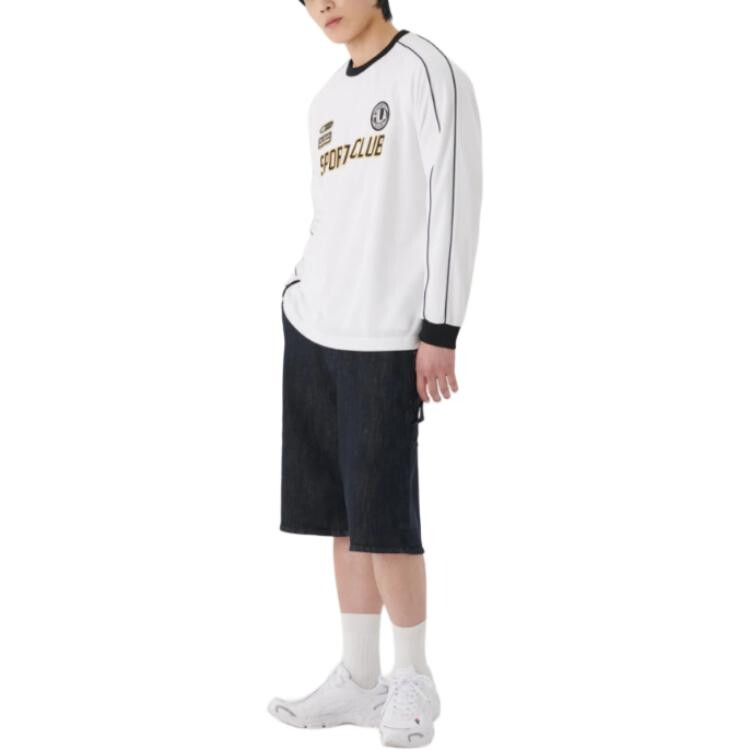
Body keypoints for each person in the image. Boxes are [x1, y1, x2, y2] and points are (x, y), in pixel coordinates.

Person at [268, 1, 482, 746]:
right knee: (341, 517)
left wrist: (441, 328)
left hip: (387, 337)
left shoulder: (428, 70)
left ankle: (413, 678)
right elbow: (330, 214)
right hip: (316, 328)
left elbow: (454, 198)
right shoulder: (324, 103)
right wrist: (297, 293)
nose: (321, 5)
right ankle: (359, 680)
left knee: (385, 518)